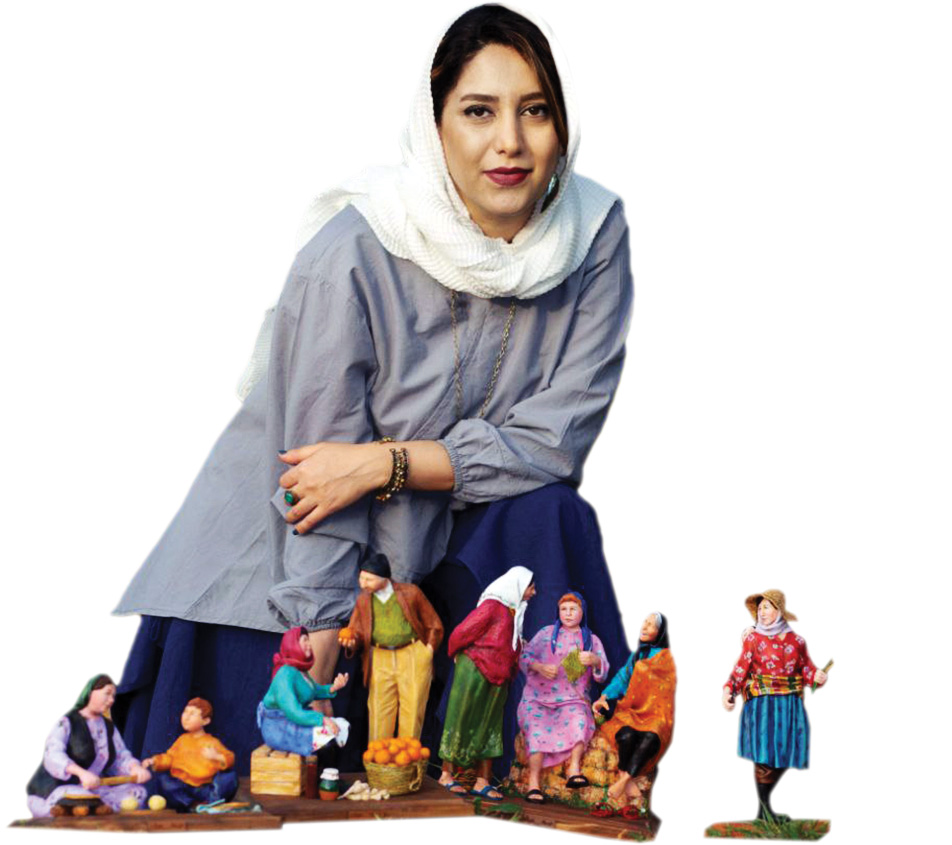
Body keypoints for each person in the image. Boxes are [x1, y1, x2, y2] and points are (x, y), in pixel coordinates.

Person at [112, 3, 632, 770]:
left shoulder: (589, 234)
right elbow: (313, 481)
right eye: (478, 111)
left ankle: (563, 762)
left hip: (447, 545)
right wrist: (321, 645)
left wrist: (383, 463)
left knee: (552, 512)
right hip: (293, 556)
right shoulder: (350, 255)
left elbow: (554, 442)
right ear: (435, 122)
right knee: (253, 759)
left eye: (535, 111)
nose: (510, 142)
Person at [722, 591, 829, 822]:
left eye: (767, 607)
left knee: (788, 750)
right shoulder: (753, 639)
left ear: (779, 611)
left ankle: (764, 809)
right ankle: (764, 811)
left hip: (789, 705)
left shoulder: (797, 641)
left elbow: (806, 668)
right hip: (762, 706)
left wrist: (817, 676)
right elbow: (741, 668)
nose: (762, 612)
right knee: (764, 755)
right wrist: (729, 689)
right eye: (760, 608)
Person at [438, 566, 534, 801]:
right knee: (461, 718)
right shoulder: (493, 607)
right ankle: (446, 774)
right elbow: (462, 632)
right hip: (475, 670)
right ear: (519, 586)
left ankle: (482, 780)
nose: (534, 592)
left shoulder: (513, 612)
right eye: (531, 587)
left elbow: (509, 643)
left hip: (499, 677)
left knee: (490, 726)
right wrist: (457, 653)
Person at [340, 550, 444, 742]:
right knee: (379, 707)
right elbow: (356, 629)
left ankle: (408, 755)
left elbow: (433, 624)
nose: (363, 584)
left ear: (383, 577)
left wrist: (428, 651)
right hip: (380, 655)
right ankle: (379, 755)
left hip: (411, 653)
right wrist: (352, 640)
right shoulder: (364, 600)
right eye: (361, 578)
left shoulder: (410, 593)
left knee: (413, 705)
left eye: (368, 579)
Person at [516, 590, 608, 803]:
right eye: (563, 609)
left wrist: (595, 660)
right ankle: (533, 782)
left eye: (573, 609)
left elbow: (602, 674)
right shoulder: (546, 634)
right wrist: (538, 666)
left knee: (579, 720)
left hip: (572, 699)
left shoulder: (590, 640)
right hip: (537, 698)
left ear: (582, 612)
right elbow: (524, 656)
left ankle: (573, 769)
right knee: (536, 730)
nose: (567, 613)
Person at [26, 674, 152, 818]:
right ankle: (81, 807)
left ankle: (96, 808)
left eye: (113, 696)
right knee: (81, 797)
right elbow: (53, 754)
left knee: (137, 792)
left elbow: (120, 756)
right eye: (107, 694)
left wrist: (134, 768)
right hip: (62, 787)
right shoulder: (68, 722)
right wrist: (81, 773)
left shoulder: (108, 727)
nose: (111, 700)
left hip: (96, 787)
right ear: (91, 692)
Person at [593, 612, 676, 803]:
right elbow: (622, 678)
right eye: (644, 623)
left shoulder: (669, 659)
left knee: (651, 737)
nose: (644, 627)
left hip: (657, 716)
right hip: (632, 712)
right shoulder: (639, 655)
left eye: (650, 624)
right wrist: (604, 697)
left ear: (661, 632)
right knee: (627, 736)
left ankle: (622, 781)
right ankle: (628, 782)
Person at [257, 627, 351, 757]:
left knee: (340, 725)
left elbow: (313, 691)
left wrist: (333, 687)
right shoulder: (285, 674)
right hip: (279, 728)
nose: (309, 644)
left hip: (294, 721)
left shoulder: (300, 672)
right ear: (293, 645)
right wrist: (322, 719)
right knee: (327, 734)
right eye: (304, 640)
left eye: (308, 640)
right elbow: (293, 712)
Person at [142, 698, 238, 811]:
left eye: (192, 714)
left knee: (229, 777)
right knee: (164, 781)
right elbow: (169, 758)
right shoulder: (182, 740)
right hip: (183, 787)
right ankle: (189, 804)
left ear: (205, 721)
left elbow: (229, 758)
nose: (186, 717)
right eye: (185, 712)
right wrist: (155, 761)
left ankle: (212, 801)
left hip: (206, 787)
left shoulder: (212, 742)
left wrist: (216, 757)